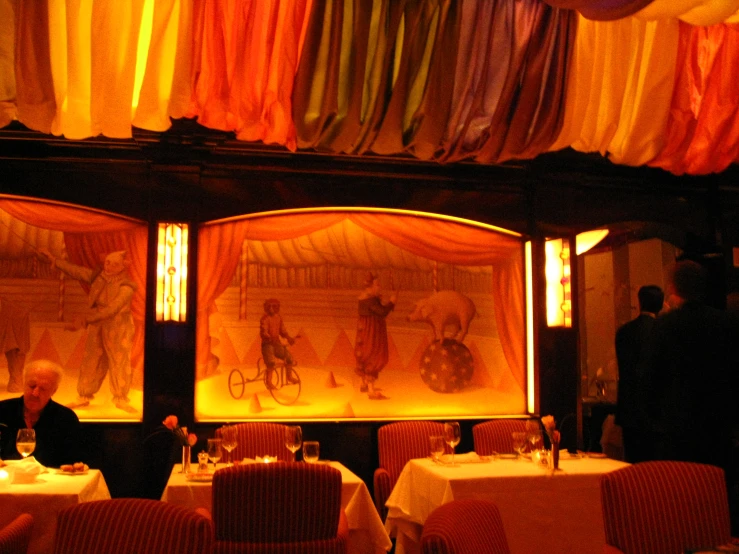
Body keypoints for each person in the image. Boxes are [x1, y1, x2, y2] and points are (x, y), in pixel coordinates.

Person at [642, 260, 738, 471]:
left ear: (673, 288)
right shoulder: (726, 323)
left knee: (680, 492)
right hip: (718, 426)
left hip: (677, 428)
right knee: (717, 492)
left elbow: (651, 376)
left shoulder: (664, 325)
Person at [37, 248, 137, 414]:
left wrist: (85, 320)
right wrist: (54, 260)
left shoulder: (127, 287)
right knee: (91, 358)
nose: (109, 266)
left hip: (119, 325)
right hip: (97, 322)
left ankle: (120, 398)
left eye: (114, 264)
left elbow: (112, 310)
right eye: (107, 262)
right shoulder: (98, 276)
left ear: (122, 267)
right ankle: (84, 396)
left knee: (119, 360)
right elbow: (77, 272)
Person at [614, 284, 664, 463]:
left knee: (632, 462)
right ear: (661, 304)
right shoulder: (663, 330)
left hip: (630, 409)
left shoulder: (624, 332)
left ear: (640, 302)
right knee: (655, 466)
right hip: (657, 411)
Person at [0, 359, 81, 467]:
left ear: (54, 391)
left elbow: (73, 460)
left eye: (43, 388)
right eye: (32, 385)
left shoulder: (66, 418)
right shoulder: (2, 410)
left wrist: (73, 467)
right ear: (23, 383)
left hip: (51, 482)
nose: (35, 393)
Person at [354, 273, 397, 400]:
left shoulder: (366, 298)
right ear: (370, 286)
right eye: (377, 285)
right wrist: (391, 303)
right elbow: (382, 312)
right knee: (373, 354)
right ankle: (371, 390)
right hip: (372, 331)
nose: (379, 287)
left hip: (367, 329)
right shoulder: (370, 300)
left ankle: (363, 384)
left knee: (365, 353)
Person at [259, 298, 298, 389]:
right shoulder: (264, 319)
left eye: (274, 306)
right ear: (266, 308)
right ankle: (269, 381)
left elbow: (282, 331)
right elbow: (264, 332)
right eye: (269, 307)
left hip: (276, 344)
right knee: (271, 362)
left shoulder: (278, 318)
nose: (271, 309)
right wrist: (269, 338)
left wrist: (289, 338)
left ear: (277, 308)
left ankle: (289, 377)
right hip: (267, 345)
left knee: (288, 357)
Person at [0, 296, 31, 393]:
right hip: (12, 329)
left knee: (16, 360)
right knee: (16, 360)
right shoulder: (10, 308)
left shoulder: (12, 311)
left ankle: (16, 384)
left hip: (13, 332)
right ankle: (16, 384)